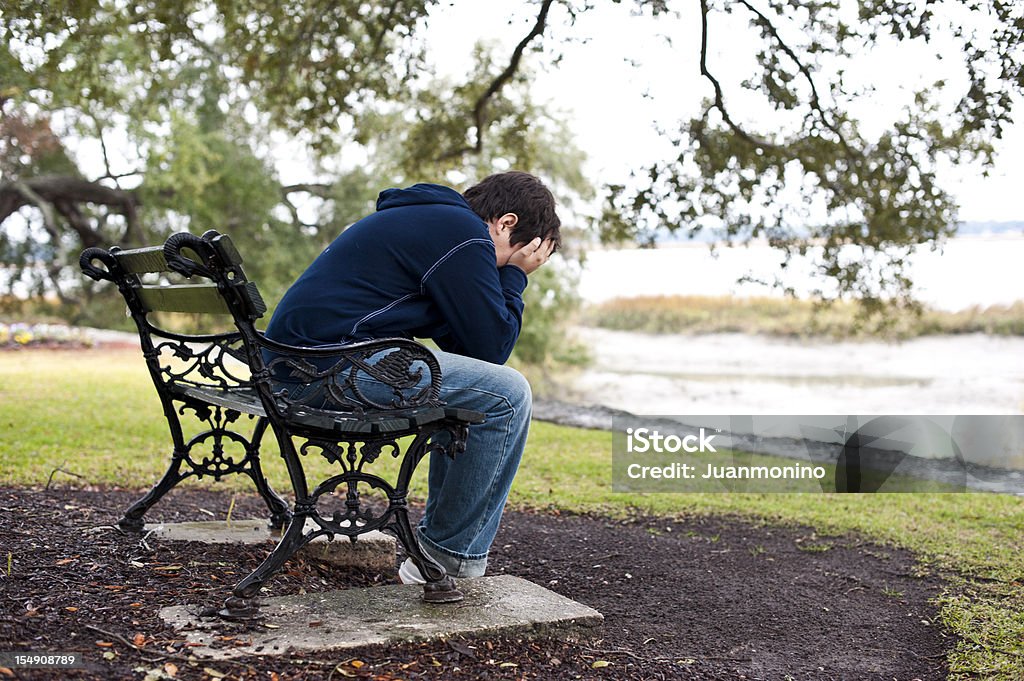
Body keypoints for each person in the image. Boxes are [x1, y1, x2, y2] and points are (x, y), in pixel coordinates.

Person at [263, 170, 560, 582]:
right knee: (507, 395)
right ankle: (448, 560)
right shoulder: (465, 233)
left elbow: (473, 353)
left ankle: (440, 552)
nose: (498, 268)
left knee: (479, 390)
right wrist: (515, 276)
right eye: (514, 254)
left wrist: (501, 274)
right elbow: (494, 352)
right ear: (506, 224)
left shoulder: (434, 223)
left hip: (298, 366)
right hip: (328, 369)